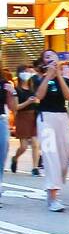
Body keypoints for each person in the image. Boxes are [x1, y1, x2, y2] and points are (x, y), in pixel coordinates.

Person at [34, 53, 69, 212]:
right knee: (50, 155)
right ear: (43, 62)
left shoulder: (63, 78)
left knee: (65, 153)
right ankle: (52, 196)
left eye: (53, 56)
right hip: (46, 118)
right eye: (46, 57)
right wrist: (48, 75)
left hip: (62, 118)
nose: (50, 59)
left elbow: (68, 96)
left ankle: (55, 186)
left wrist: (58, 75)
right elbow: (39, 96)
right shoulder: (38, 79)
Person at [12, 67, 41, 176]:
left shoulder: (33, 88)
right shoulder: (16, 90)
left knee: (35, 142)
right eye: (23, 72)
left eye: (28, 72)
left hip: (33, 116)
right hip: (22, 117)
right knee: (23, 146)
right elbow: (16, 107)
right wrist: (28, 102)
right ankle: (15, 158)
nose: (26, 74)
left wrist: (37, 102)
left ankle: (35, 167)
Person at [0, 70, 15, 205]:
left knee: (1, 156)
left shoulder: (4, 84)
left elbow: (13, 107)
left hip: (1, 121)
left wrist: (13, 92)